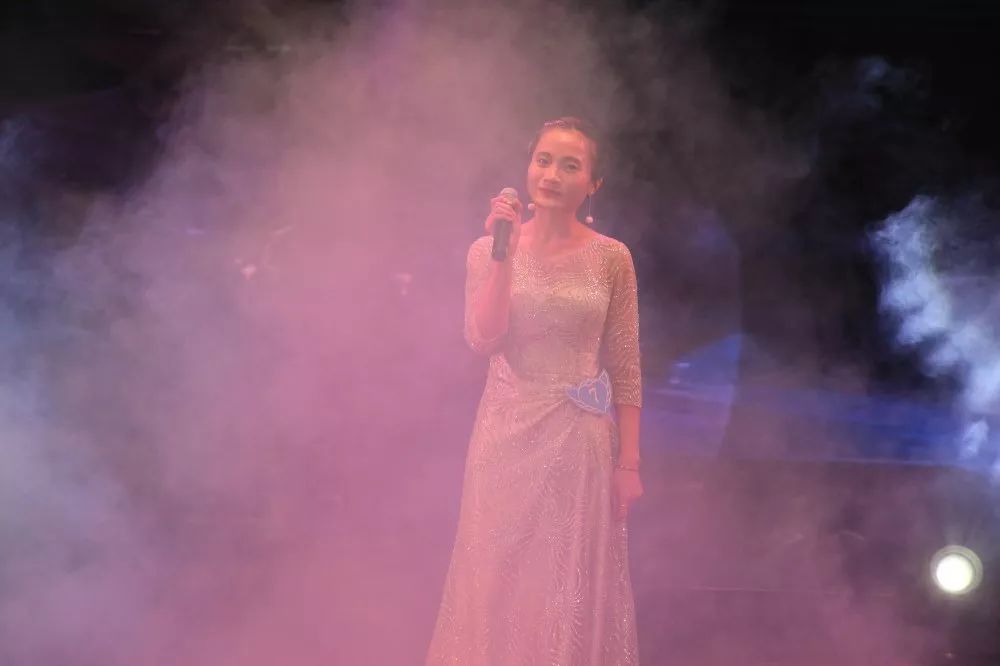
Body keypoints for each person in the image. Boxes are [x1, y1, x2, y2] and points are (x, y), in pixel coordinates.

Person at [427, 117, 643, 665]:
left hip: (579, 443)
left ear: (593, 183)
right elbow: (484, 338)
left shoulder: (612, 257)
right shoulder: (486, 250)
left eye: (570, 166)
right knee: (494, 581)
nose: (551, 175)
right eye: (543, 160)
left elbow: (625, 364)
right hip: (504, 437)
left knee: (562, 588)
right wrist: (503, 256)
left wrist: (629, 464)